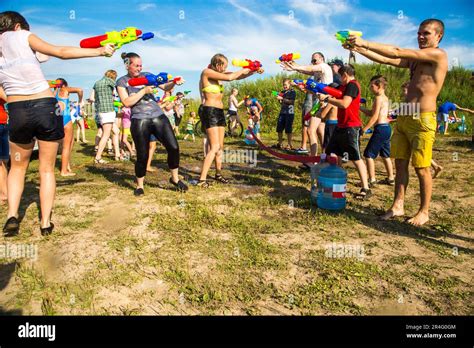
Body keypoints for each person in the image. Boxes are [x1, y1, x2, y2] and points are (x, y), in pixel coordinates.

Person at [0, 11, 115, 236]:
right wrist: (100, 51)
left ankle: (12, 216)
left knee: (18, 167)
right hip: (44, 105)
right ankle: (44, 223)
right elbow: (61, 52)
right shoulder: (23, 35)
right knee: (46, 169)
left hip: (17, 110)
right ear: (17, 26)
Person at [347, 18, 448, 226]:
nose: (421, 36)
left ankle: (424, 211)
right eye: (419, 32)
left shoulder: (438, 55)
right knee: (400, 163)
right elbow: (387, 60)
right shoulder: (417, 60)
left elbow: (396, 51)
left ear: (439, 36)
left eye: (426, 33)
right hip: (405, 116)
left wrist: (364, 42)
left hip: (423, 119)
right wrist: (357, 48)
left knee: (421, 168)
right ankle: (397, 205)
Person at [116, 52, 188, 195]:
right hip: (139, 119)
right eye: (136, 65)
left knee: (173, 147)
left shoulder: (147, 75)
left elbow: (165, 87)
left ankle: (174, 178)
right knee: (142, 155)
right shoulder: (122, 82)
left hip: (158, 116)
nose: (139, 68)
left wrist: (174, 82)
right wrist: (144, 90)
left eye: (140, 65)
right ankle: (140, 186)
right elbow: (126, 102)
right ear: (127, 65)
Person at [197, 53, 262, 187]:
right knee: (214, 147)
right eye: (224, 66)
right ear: (218, 65)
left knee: (220, 146)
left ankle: (218, 174)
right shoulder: (207, 72)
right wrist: (245, 68)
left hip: (219, 112)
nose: (225, 69)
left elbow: (238, 75)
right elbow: (231, 77)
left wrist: (253, 70)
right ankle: (202, 179)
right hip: (210, 111)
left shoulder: (218, 74)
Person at [322, 64, 371, 199]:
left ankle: (366, 188)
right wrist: (308, 88)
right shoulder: (343, 86)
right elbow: (327, 90)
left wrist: (328, 100)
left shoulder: (352, 85)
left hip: (351, 127)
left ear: (345, 75)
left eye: (340, 76)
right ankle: (338, 179)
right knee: (333, 153)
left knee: (356, 158)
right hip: (340, 126)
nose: (339, 79)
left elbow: (344, 104)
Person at [282, 52, 333, 155]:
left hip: (322, 102)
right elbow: (304, 70)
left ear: (322, 59)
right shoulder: (317, 73)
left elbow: (309, 69)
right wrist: (293, 65)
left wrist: (295, 68)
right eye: (312, 61)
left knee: (310, 130)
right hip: (319, 101)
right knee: (320, 131)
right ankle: (325, 157)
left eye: (315, 60)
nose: (313, 63)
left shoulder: (324, 66)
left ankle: (313, 160)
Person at [360, 75, 395, 186]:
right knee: (385, 154)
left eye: (372, 86)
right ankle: (390, 178)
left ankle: (372, 179)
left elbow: (374, 117)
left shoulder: (378, 99)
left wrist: (365, 129)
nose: (370, 89)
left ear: (379, 86)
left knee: (368, 155)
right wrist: (358, 107)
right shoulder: (385, 98)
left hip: (380, 128)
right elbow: (371, 112)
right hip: (386, 128)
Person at [53, 78, 83, 177]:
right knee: (67, 146)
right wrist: (80, 101)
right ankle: (64, 171)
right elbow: (80, 90)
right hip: (66, 120)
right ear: (64, 85)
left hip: (57, 120)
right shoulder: (65, 90)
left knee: (59, 145)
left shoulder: (53, 93)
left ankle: (67, 165)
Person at [92, 70, 120, 163]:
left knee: (116, 131)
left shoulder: (96, 83)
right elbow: (117, 91)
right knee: (106, 134)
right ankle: (98, 157)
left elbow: (93, 98)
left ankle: (118, 154)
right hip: (108, 110)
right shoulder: (110, 81)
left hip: (100, 110)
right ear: (113, 76)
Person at [273, 79, 296, 150]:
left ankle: (289, 145)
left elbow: (291, 102)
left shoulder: (293, 92)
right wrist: (279, 99)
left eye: (286, 85)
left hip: (289, 112)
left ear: (290, 84)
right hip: (282, 112)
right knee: (279, 128)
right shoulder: (282, 92)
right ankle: (280, 144)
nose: (284, 86)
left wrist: (282, 99)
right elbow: (281, 102)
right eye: (284, 85)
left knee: (288, 129)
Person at [0, 87, 8, 203]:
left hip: (3, 124)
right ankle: (3, 193)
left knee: (4, 161)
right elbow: (7, 98)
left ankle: (5, 192)